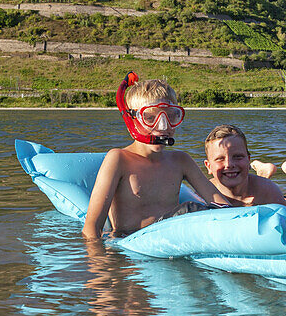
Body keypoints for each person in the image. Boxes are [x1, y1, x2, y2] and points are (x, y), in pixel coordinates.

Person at [82, 74, 230, 240]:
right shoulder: (119, 159)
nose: (163, 126)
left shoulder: (181, 161)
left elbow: (223, 206)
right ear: (132, 120)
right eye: (150, 118)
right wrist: (99, 263)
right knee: (189, 210)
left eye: (171, 116)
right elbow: (91, 228)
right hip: (132, 246)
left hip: (172, 240)